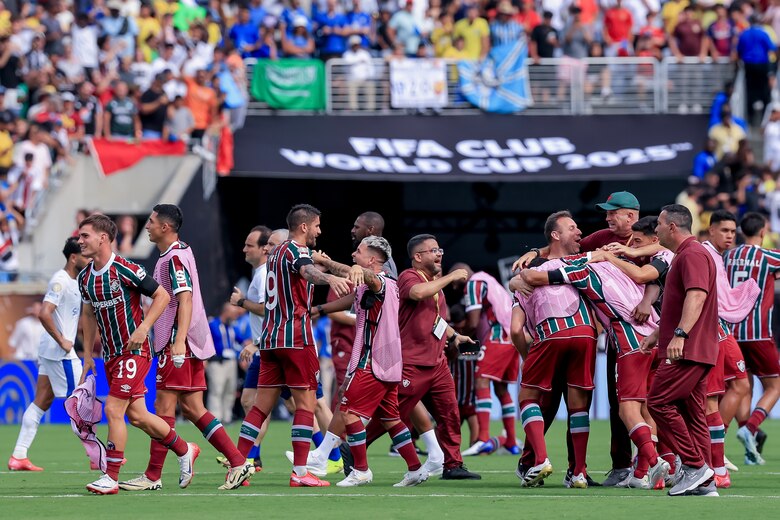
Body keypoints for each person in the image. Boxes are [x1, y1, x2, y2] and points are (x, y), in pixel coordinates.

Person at [515, 218, 667, 491]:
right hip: (651, 337)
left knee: (627, 409)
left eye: (635, 242)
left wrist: (520, 278)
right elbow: (649, 280)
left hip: (628, 343)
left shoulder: (582, 268)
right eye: (572, 229)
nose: (580, 233)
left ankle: (654, 462)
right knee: (640, 408)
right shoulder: (643, 261)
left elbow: (526, 300)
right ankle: (592, 472)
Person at [119, 205, 254, 492]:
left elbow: (186, 298)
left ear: (165, 227)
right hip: (192, 340)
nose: (148, 226)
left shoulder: (174, 258)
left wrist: (178, 341)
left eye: (152, 222)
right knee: (193, 408)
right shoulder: (179, 252)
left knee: (163, 407)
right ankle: (238, 461)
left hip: (179, 342)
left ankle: (153, 475)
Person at [77, 213, 198, 495]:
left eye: (85, 236)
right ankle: (185, 449)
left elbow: (163, 297)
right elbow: (88, 314)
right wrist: (86, 355)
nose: (79, 240)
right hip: (110, 356)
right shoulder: (85, 278)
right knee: (139, 416)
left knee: (113, 409)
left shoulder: (126, 268)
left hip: (135, 352)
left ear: (103, 238)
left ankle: (111, 477)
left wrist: (143, 329)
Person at [233, 204, 351, 487]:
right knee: (306, 404)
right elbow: (308, 272)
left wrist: (331, 266)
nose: (320, 231)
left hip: (271, 340)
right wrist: (330, 277)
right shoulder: (296, 252)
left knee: (260, 407)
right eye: (317, 226)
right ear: (304, 227)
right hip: (296, 338)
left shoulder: (274, 256)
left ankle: (237, 465)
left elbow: (307, 267)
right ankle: (300, 472)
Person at [297, 236, 429, 487]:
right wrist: (328, 266)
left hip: (372, 360)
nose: (353, 254)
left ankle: (361, 470)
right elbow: (356, 287)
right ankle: (415, 469)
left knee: (348, 414)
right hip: (388, 361)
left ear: (372, 260)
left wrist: (354, 269)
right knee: (391, 419)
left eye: (358, 252)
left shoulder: (378, 280)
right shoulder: (388, 283)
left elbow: (369, 278)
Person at [361, 234, 481, 480]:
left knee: (450, 412)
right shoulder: (409, 276)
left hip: (437, 362)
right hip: (412, 361)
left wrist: (454, 336)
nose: (440, 254)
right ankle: (355, 448)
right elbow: (416, 293)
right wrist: (450, 277)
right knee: (394, 413)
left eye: (440, 249)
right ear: (418, 257)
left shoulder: (434, 284)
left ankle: (453, 464)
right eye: (433, 250)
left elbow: (434, 319)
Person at [509, 211, 597, 488]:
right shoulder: (583, 264)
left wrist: (528, 358)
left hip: (551, 334)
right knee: (578, 406)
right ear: (556, 235)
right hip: (586, 334)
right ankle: (579, 472)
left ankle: (540, 459)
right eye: (573, 227)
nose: (579, 231)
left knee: (528, 396)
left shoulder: (527, 276)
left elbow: (514, 329)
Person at [643, 204, 719, 497]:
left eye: (659, 225)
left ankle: (695, 466)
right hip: (692, 346)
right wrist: (657, 333)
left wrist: (680, 335)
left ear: (672, 227)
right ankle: (706, 480)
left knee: (658, 402)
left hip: (686, 348)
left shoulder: (692, 254)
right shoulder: (689, 254)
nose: (656, 230)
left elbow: (697, 296)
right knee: (693, 413)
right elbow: (683, 303)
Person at [8, 238, 87, 472]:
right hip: (59, 352)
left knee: (42, 400)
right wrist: (62, 339)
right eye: (85, 255)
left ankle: (19, 455)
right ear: (74, 258)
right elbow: (44, 313)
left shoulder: (74, 281)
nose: (89, 258)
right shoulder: (60, 280)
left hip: (50, 350)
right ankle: (97, 456)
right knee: (79, 400)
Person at [724, 212, 780, 465]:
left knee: (740, 387)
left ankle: (737, 442)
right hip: (758, 333)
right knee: (774, 386)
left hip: (730, 333)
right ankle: (751, 428)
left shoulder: (727, 256)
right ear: (763, 232)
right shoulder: (769, 256)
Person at [453, 263, 519, 457]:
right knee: (501, 389)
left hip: (497, 335)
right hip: (513, 337)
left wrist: (455, 339)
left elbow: (473, 323)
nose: (455, 287)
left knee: (481, 380)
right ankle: (512, 442)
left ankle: (483, 439)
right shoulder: (490, 280)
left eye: (455, 282)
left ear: (462, 275)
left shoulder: (474, 283)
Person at [231, 225, 273, 469]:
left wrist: (241, 301)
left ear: (263, 249)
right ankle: (250, 457)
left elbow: (269, 309)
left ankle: (331, 456)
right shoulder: (260, 273)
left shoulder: (263, 273)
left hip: (270, 348)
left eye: (249, 245)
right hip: (264, 346)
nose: (244, 249)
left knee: (306, 406)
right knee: (250, 401)